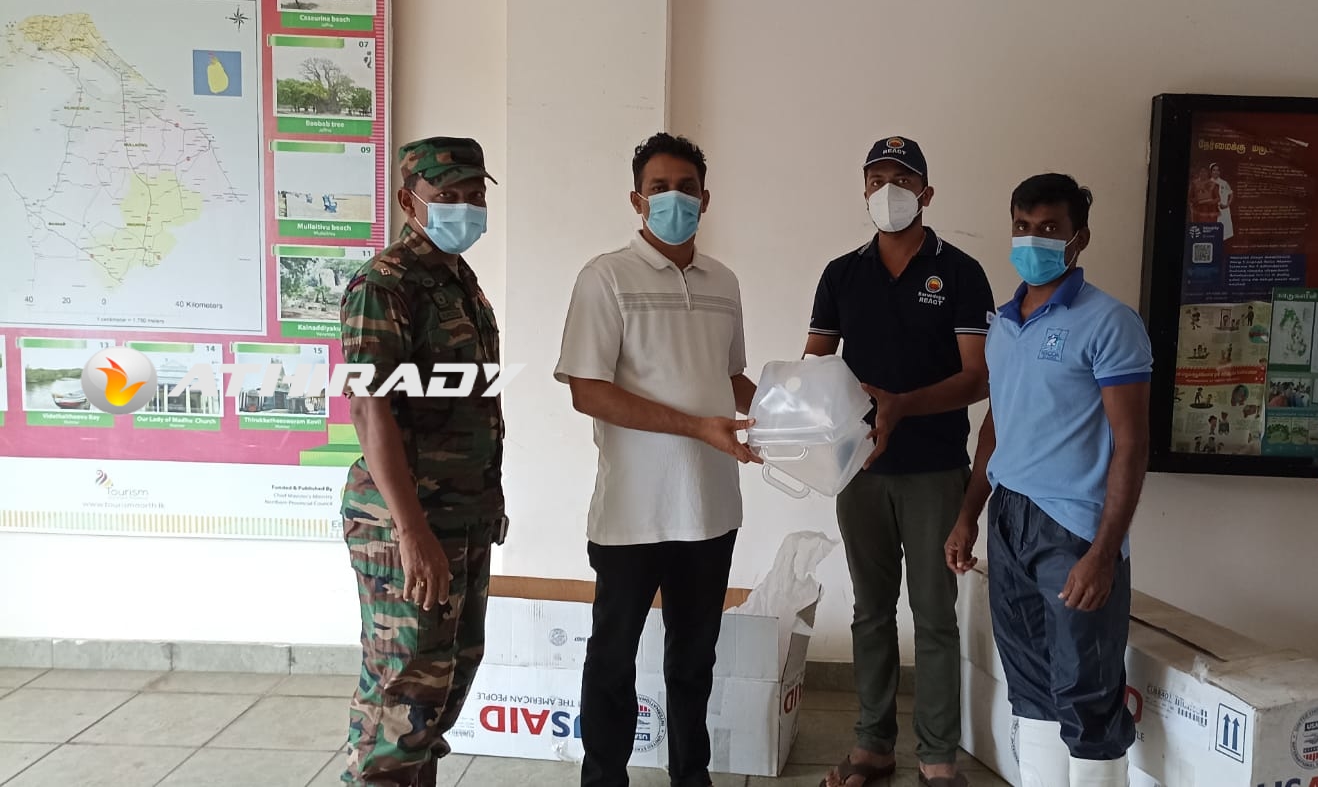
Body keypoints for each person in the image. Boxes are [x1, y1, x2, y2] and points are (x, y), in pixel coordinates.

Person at [555, 133, 759, 787]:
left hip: (711, 506)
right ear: (637, 199)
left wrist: (790, 414)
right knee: (613, 657)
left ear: (706, 198)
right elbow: (588, 390)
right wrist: (695, 426)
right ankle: (604, 777)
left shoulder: (724, 282)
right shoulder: (606, 276)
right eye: (660, 187)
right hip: (632, 513)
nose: (675, 198)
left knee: (694, 660)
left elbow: (732, 378)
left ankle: (690, 776)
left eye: (687, 187)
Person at [946, 173, 1154, 787]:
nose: (1032, 239)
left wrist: (1103, 553)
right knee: (1031, 687)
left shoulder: (1109, 323)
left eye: (1049, 228)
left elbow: (1132, 443)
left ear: (1078, 238)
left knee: (1087, 691)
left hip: (1073, 530)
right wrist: (968, 514)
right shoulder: (1003, 324)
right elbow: (997, 424)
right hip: (1009, 517)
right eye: (1023, 226)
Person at [805, 136, 994, 787]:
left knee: (935, 615)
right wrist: (800, 409)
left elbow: (978, 377)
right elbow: (815, 367)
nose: (888, 190)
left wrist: (901, 405)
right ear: (863, 189)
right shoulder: (841, 274)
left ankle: (937, 756)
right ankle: (872, 746)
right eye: (876, 178)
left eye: (902, 179)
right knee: (870, 611)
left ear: (926, 193)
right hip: (858, 469)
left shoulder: (960, 272)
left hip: (935, 470)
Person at [339, 137, 507, 786]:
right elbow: (369, 409)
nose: (465, 207)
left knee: (440, 690)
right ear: (410, 202)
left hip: (462, 515)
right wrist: (411, 531)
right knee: (402, 695)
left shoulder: (457, 280)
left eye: (475, 195)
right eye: (447, 196)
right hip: (409, 520)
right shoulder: (385, 284)